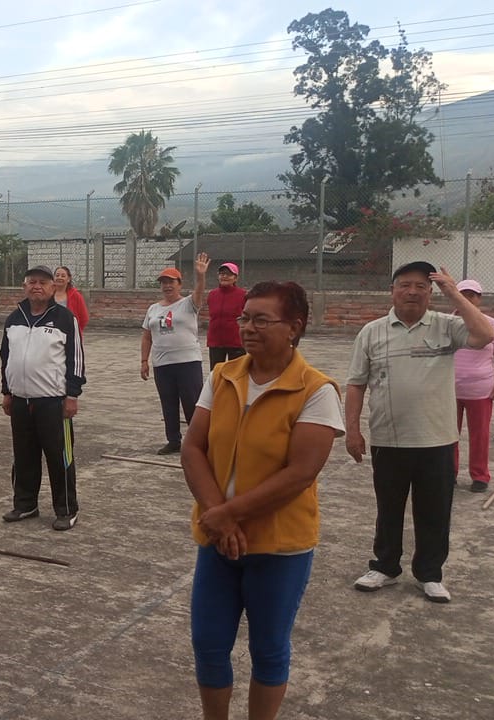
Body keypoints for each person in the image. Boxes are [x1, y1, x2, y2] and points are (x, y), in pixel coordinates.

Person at [181, 280, 342, 720]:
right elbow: (193, 448)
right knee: (209, 644)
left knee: (268, 647)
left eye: (261, 320)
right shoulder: (222, 376)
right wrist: (218, 518)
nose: (248, 327)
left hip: (278, 547)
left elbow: (301, 473)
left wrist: (227, 515)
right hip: (217, 541)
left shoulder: (316, 390)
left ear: (294, 327)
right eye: (245, 318)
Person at [346, 262, 494, 603]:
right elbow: (356, 384)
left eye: (421, 286)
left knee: (435, 511)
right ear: (392, 290)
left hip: (437, 439)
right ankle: (384, 567)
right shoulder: (371, 332)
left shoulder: (447, 326)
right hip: (388, 439)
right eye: (405, 285)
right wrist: (353, 430)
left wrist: (453, 291)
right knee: (389, 509)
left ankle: (429, 574)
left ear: (431, 293)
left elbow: (485, 335)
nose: (412, 291)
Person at [0, 265, 86, 531]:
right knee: (23, 456)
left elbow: (76, 359)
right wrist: (6, 391)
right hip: (21, 401)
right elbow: (6, 357)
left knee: (60, 458)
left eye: (43, 282)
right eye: (32, 282)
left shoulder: (65, 318)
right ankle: (25, 504)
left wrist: (72, 395)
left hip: (53, 402)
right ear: (24, 286)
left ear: (53, 287)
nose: (37, 286)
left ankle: (66, 509)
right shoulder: (14, 319)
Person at [141, 252, 209, 455]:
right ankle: (173, 440)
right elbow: (147, 337)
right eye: (163, 283)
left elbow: (199, 291)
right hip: (162, 364)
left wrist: (201, 276)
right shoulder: (153, 309)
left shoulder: (189, 303)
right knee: (168, 403)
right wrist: (144, 360)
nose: (167, 286)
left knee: (192, 403)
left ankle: (198, 441)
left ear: (179, 284)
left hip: (188, 362)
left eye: (171, 282)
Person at [452, 280, 494, 492]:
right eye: (462, 294)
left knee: (480, 436)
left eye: (472, 295)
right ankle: (448, 472)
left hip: (480, 390)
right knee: (448, 435)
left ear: (479, 299)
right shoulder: (448, 323)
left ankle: (480, 476)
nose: (467, 299)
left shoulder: (490, 324)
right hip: (449, 390)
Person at [206, 262, 247, 370]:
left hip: (236, 341)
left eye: (228, 274)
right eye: (222, 274)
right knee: (216, 372)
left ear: (235, 278)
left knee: (236, 373)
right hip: (215, 341)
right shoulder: (212, 294)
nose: (224, 276)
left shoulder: (243, 295)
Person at [53, 266, 90, 331]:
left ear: (68, 279)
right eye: (57, 275)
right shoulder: (48, 294)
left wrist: (75, 331)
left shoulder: (76, 295)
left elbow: (84, 318)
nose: (59, 277)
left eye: (63, 276)